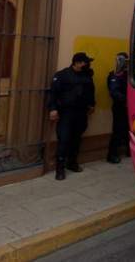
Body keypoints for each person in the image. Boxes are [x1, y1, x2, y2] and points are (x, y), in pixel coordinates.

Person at [47, 52, 95, 181]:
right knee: (64, 139)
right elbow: (53, 93)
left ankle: (72, 163)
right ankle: (60, 169)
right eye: (85, 62)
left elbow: (91, 91)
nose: (87, 64)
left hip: (81, 112)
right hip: (66, 112)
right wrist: (53, 109)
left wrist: (91, 104)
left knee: (77, 139)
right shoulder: (62, 75)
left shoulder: (87, 76)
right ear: (77, 62)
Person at [107, 52, 130, 163]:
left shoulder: (129, 74)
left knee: (129, 129)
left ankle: (129, 150)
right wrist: (125, 99)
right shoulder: (114, 74)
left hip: (129, 106)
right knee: (117, 130)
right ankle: (112, 155)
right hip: (119, 107)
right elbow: (113, 92)